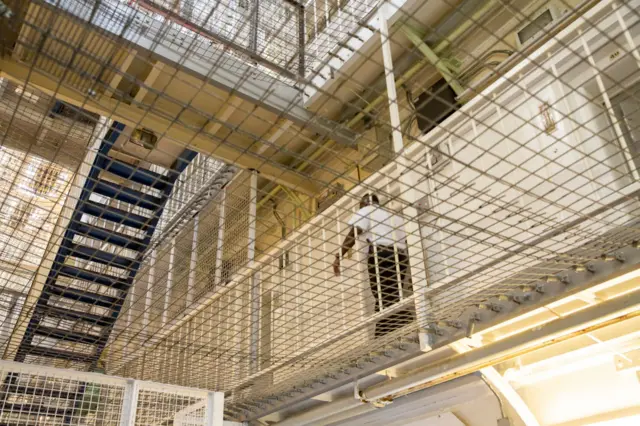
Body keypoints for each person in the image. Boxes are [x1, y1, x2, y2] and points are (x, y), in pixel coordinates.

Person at [332, 193, 414, 337]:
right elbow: (407, 240)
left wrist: (339, 255)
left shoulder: (367, 211)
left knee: (381, 294)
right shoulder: (395, 217)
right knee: (394, 291)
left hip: (381, 255)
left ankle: (386, 331)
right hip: (400, 257)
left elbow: (354, 233)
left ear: (364, 204)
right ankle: (398, 323)